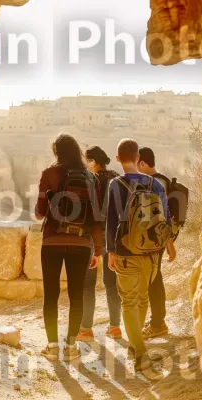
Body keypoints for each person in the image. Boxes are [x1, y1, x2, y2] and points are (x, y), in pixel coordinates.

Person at [35, 133, 103, 362]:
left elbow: (39, 212)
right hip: (81, 244)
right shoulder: (90, 177)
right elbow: (96, 218)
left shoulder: (48, 174)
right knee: (76, 295)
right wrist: (98, 250)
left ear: (57, 152)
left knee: (51, 294)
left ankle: (52, 346)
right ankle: (71, 347)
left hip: (52, 242)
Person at [106, 138, 171, 372]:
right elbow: (166, 219)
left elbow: (111, 220)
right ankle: (136, 345)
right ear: (137, 158)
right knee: (142, 298)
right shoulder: (156, 184)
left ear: (117, 158)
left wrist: (110, 251)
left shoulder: (116, 184)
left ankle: (140, 353)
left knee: (129, 301)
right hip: (152, 253)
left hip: (125, 251)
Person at [76, 146, 122, 342]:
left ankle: (86, 329)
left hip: (91, 237)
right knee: (112, 284)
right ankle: (115, 328)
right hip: (113, 237)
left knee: (88, 284)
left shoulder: (88, 179)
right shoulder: (117, 178)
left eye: (87, 160)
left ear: (93, 161)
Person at [137, 147, 177, 339]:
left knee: (153, 279)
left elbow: (161, 216)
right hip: (159, 238)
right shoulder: (162, 179)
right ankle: (158, 320)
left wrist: (169, 243)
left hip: (154, 239)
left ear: (143, 163)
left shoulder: (154, 182)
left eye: (138, 165)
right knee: (155, 277)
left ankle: (158, 323)